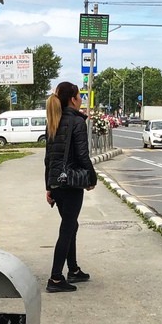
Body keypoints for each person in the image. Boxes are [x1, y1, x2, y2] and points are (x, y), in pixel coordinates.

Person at [44, 81, 96, 293]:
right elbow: (83, 155)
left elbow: (49, 158)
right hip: (71, 183)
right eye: (79, 95)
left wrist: (49, 187)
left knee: (70, 225)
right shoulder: (76, 122)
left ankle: (73, 270)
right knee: (67, 228)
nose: (81, 98)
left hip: (57, 183)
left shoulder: (53, 120)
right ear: (73, 99)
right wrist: (92, 178)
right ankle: (56, 278)